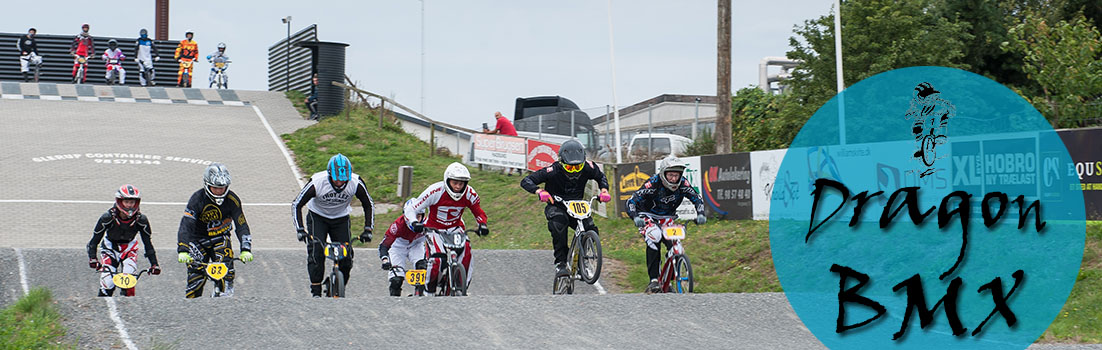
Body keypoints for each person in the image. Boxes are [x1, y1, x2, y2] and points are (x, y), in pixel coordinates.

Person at [520, 139, 611, 277]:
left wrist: (604, 190)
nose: (574, 171)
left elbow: (600, 176)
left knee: (591, 228)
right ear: (562, 163)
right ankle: (560, 263)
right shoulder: (552, 171)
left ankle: (582, 260)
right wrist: (539, 191)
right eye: (569, 168)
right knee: (558, 225)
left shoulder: (588, 167)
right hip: (557, 205)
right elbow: (526, 181)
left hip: (577, 206)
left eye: (578, 167)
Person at [291, 154, 375, 298]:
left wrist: (368, 229)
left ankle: (338, 286)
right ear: (330, 175)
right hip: (317, 217)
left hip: (340, 218)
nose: (340, 183)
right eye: (337, 179)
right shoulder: (317, 182)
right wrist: (300, 229)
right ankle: (316, 291)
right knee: (317, 252)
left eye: (344, 180)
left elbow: (368, 204)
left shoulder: (355, 182)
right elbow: (296, 204)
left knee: (346, 256)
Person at [404, 162, 489, 295]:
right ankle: (428, 290)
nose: (457, 187)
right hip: (434, 228)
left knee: (467, 251)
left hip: (455, 228)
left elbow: (478, 211)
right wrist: (414, 222)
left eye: (461, 183)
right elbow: (412, 208)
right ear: (447, 180)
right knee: (438, 259)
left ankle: (460, 288)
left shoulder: (470, 193)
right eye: (455, 182)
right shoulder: (435, 191)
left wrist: (482, 224)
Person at [626, 155, 706, 293]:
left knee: (677, 247)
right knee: (655, 235)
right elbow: (631, 201)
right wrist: (635, 217)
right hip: (647, 216)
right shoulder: (653, 183)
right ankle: (654, 280)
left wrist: (701, 214)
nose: (674, 179)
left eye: (676, 175)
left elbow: (697, 198)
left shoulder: (683, 184)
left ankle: (668, 280)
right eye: (670, 175)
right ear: (663, 174)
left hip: (667, 218)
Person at [176, 163, 253, 298]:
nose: (219, 191)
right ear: (207, 184)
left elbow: (241, 224)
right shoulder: (196, 199)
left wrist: (246, 248)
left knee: (227, 272)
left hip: (220, 238)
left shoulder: (233, 200)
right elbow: (186, 225)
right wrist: (183, 249)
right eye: (216, 188)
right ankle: (192, 306)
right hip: (198, 240)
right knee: (195, 278)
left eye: (222, 188)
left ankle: (225, 299)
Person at [88, 185, 161, 296]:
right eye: (126, 202)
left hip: (129, 249)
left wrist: (154, 264)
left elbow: (148, 244)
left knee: (129, 280)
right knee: (107, 283)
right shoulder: (107, 218)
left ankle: (128, 305)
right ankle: (103, 303)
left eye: (132, 202)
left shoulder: (142, 220)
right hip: (109, 248)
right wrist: (93, 258)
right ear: (120, 202)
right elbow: (93, 241)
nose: (129, 205)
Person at [378, 199, 427, 296]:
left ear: (423, 216)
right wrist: (385, 260)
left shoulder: (427, 223)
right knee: (396, 280)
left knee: (422, 267)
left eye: (418, 216)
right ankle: (395, 301)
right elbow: (384, 245)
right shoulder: (397, 225)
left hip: (416, 245)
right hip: (398, 247)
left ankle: (420, 294)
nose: (415, 220)